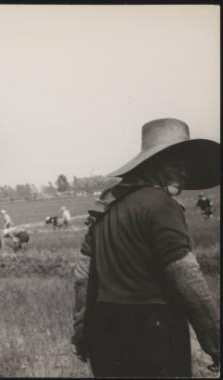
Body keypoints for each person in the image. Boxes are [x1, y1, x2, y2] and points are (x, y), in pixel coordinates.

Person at [71, 118, 220, 377]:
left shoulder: (105, 206)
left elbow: (82, 278)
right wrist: (215, 343)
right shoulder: (161, 204)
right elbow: (187, 278)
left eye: (187, 163)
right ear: (154, 162)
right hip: (153, 334)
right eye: (176, 161)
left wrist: (83, 332)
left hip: (104, 334)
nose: (184, 171)